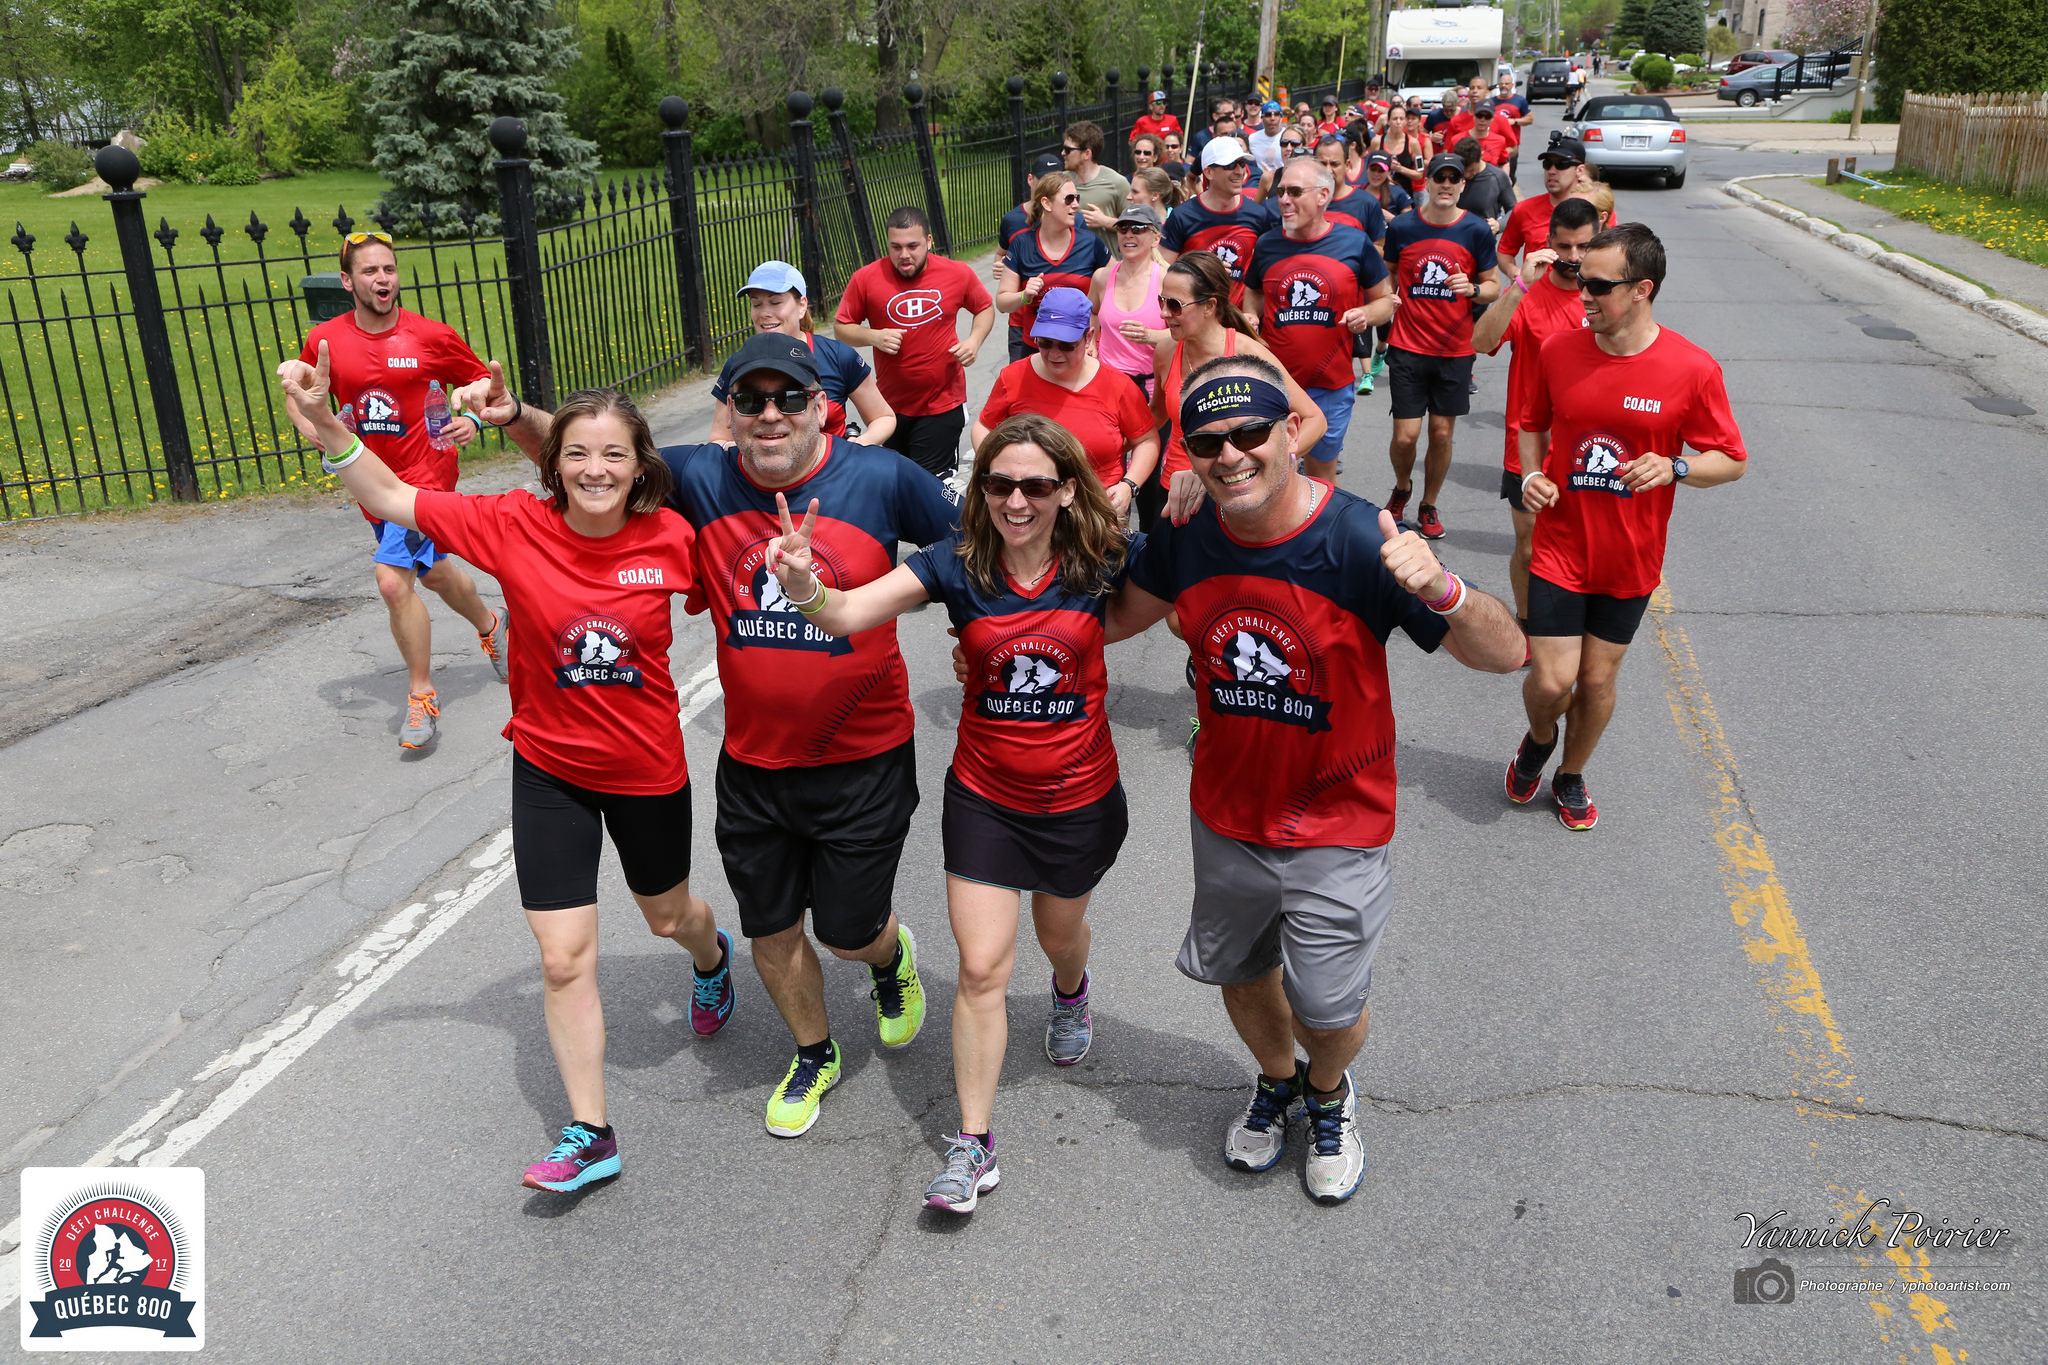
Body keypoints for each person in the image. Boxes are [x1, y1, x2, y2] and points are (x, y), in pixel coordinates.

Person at [457, 332, 960, 1139]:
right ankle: (814, 1049)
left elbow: (973, 550)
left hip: (862, 755)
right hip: (753, 762)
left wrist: (982, 640)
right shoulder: (699, 474)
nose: (771, 413)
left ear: (821, 406)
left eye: (789, 397)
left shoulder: (882, 476)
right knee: (770, 928)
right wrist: (516, 414)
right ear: (729, 411)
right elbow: (597, 464)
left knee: (846, 928)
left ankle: (887, 959)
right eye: (752, 399)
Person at [277, 357, 736, 1192]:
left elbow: (747, 605)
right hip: (549, 768)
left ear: (640, 469)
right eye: (577, 454)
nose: (595, 470)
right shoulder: (510, 524)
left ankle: (712, 958)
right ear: (552, 463)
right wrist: (329, 423)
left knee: (669, 914)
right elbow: (389, 498)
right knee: (563, 957)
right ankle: (591, 1131)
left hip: (645, 770)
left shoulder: (674, 537)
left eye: (613, 456)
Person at [1108, 354, 1523, 1204]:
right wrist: (993, 635)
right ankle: (1276, 1081)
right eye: (1210, 442)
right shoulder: (1189, 534)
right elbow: (1111, 619)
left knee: (1329, 1009)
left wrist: (1444, 588)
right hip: (1225, 815)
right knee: (1240, 972)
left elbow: (1507, 651)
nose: (1231, 455)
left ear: (1292, 432)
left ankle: (1329, 1091)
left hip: (1338, 822)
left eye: (1250, 433)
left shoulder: (1361, 539)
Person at [764, 413, 1136, 1214]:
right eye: (999, 484)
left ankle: (1071, 991)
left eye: (1036, 485)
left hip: (1078, 798)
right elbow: (844, 613)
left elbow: (1194, 594)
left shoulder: (1103, 564)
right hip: (986, 799)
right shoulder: (955, 565)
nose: (1017, 500)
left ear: (1067, 490)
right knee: (980, 968)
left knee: (1058, 935)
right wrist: (800, 580)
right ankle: (973, 1144)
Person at [1511, 224, 1748, 829]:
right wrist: (1535, 474)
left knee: (1595, 681)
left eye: (1597, 285)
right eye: (1580, 281)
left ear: (1642, 289)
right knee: (1551, 681)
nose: (1581, 295)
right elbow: (1532, 422)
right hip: (1562, 547)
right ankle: (1540, 739)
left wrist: (1676, 466)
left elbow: (1731, 459)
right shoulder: (1559, 350)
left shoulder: (1692, 368)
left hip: (1631, 559)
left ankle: (1569, 773)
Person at [294, 231, 504, 752]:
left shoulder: (431, 336)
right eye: (369, 271)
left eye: (388, 269)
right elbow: (303, 398)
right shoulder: (326, 340)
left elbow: (481, 380)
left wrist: (474, 416)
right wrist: (324, 435)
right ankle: (491, 625)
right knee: (431, 572)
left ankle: (421, 695)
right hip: (370, 480)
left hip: (426, 476)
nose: (382, 279)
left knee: (392, 581)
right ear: (347, 281)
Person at [1471, 196, 1599, 630]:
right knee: (1529, 546)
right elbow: (1480, 341)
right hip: (1527, 448)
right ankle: (1528, 626)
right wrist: (1519, 287)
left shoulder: (1602, 297)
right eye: (1565, 247)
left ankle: (1576, 623)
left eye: (1583, 247)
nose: (1574, 258)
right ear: (1548, 243)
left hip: (1591, 450)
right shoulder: (1528, 295)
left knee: (1583, 545)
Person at [1146, 252, 1325, 532]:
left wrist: (1272, 466)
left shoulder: (1247, 354)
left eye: (1175, 305)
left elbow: (1315, 419)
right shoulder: (1166, 352)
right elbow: (1154, 417)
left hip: (1236, 494)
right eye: (1161, 301)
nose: (1164, 313)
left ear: (1209, 306)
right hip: (1177, 493)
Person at [1243, 157, 1395, 481]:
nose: (1284, 199)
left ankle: (1317, 531)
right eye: (1281, 191)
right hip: (1275, 384)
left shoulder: (1355, 242)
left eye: (1295, 191)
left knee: (1321, 476)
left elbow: (1386, 300)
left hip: (1331, 386)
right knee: (1271, 472)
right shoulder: (1267, 244)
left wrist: (1366, 314)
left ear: (1323, 195)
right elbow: (1252, 294)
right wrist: (1250, 315)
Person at [1381, 153, 1501, 541]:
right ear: (1428, 183)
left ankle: (1429, 503)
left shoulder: (1476, 231)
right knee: (1405, 437)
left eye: (1453, 178)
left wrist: (1475, 290)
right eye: (1439, 178)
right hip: (1408, 346)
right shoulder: (1403, 227)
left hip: (1454, 351)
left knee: (1443, 434)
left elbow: (1494, 284)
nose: (1446, 185)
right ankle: (1402, 487)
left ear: (1463, 185)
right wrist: (1387, 302)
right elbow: (1390, 276)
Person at [833, 207, 996, 481]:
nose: (904, 255)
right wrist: (874, 336)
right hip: (888, 408)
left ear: (929, 241)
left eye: (912, 246)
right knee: (896, 485)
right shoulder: (867, 278)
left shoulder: (956, 273)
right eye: (895, 247)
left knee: (930, 486)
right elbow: (841, 328)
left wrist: (974, 341)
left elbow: (985, 308)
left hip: (941, 404)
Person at [975, 287, 1158, 519]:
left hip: (1098, 511)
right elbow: (984, 427)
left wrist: (1128, 485)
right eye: (1045, 343)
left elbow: (1146, 440)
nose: (1054, 354)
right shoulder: (1013, 378)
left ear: (1088, 337)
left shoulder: (1117, 385)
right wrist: (999, 473)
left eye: (1066, 345)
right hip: (1030, 510)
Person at [709, 262, 895, 448]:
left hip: (830, 474)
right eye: (756, 304)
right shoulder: (738, 364)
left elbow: (883, 417)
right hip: (761, 474)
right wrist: (734, 452)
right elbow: (719, 439)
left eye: (775, 303)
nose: (764, 313)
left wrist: (856, 447)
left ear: (801, 305)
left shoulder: (838, 356)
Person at [998, 171, 1111, 362]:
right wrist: (1024, 295)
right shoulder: (1022, 244)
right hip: (1037, 349)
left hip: (1079, 349)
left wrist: (1097, 339)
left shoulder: (1090, 243)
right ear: (1046, 203)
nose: (1075, 205)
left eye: (1077, 198)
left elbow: (1114, 288)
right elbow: (1002, 302)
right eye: (1068, 199)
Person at [1158, 136, 1272, 306]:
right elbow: (1161, 270)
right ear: (1209, 172)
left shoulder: (1258, 214)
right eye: (1230, 165)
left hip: (1240, 319)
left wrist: (1252, 312)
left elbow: (1266, 270)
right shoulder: (1183, 215)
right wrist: (1198, 268)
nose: (1239, 171)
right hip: (1196, 318)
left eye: (1241, 163)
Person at [1089, 204, 1171, 402]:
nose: (1128, 235)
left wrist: (1150, 336)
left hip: (1153, 389)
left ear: (1156, 238)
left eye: (1138, 229)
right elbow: (1091, 312)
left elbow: (1187, 333)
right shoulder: (1102, 277)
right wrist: (1090, 342)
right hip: (1109, 385)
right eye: (1123, 229)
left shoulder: (1168, 280)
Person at [1499, 136, 1607, 265]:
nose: (1552, 171)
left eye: (1561, 164)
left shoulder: (1597, 209)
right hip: (1536, 285)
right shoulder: (1524, 209)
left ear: (1580, 170)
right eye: (1547, 164)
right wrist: (1517, 275)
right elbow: (1505, 252)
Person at [1064, 120, 1134, 249]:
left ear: (1087, 154)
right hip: (1073, 264)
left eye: (1068, 150)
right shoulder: (1062, 182)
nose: (1063, 153)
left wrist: (1105, 221)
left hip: (1108, 264)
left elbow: (1135, 226)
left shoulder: (1117, 183)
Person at [999, 151, 1066, 261]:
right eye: (1043, 180)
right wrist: (1000, 265)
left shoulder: (1071, 219)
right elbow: (1001, 254)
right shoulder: (1012, 220)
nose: (1049, 186)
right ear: (1030, 179)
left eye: (1055, 182)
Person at [1455, 135, 1517, 233]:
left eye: (1471, 170)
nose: (1466, 175)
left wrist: (1499, 225)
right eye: (1463, 170)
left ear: (1481, 156)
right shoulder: (1452, 175)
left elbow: (1513, 209)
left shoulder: (1498, 176)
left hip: (1483, 241)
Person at [1373, 102, 1432, 193]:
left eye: (1401, 119)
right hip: (1380, 192)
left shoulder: (1413, 143)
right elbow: (1368, 168)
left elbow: (1419, 174)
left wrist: (1400, 169)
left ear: (1405, 121)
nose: (1398, 122)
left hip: (1404, 193)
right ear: (1388, 121)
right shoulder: (1377, 141)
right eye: (1395, 119)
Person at [1252, 125, 1311, 201]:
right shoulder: (1269, 178)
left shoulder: (1312, 178)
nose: (1288, 148)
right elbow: (1256, 207)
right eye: (1284, 143)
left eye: (1295, 144)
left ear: (1304, 146)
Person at [1494, 73, 1533, 181]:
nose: (1504, 86)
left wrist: (1515, 121)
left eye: (1507, 83)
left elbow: (1530, 119)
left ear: (1512, 85)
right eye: (1501, 83)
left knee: (1509, 177)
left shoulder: (1519, 101)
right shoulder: (1492, 102)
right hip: (1494, 145)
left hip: (1512, 146)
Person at [1187, 98, 1240, 166]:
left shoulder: (1240, 134)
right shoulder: (1201, 137)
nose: (1232, 116)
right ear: (1215, 116)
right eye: (1228, 113)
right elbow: (1189, 162)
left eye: (1233, 113)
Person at [1247, 100, 1290, 174]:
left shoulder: (1288, 136)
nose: (1272, 118)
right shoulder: (1252, 139)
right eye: (1268, 115)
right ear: (1262, 117)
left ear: (1281, 117)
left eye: (1276, 114)